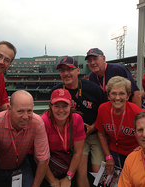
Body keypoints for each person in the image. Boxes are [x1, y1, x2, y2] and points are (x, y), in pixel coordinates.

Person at [52, 56, 106, 187]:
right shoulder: (57, 91)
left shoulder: (92, 88)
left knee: (97, 172)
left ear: (77, 70)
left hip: (95, 134)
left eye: (69, 69)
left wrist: (93, 127)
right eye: (62, 70)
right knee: (81, 173)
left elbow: (105, 111)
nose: (65, 73)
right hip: (75, 138)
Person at [0, 90, 50, 187]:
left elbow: (43, 159)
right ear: (9, 109)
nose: (25, 117)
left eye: (29, 111)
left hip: (21, 166)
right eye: (20, 111)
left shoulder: (37, 122)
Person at [95, 76, 144, 174]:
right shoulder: (103, 109)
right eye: (113, 93)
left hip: (134, 151)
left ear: (128, 96)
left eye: (121, 93)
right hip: (114, 150)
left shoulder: (136, 112)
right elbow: (101, 133)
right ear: (108, 96)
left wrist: (142, 147)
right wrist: (108, 156)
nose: (117, 98)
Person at [41, 89, 86, 187]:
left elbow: (78, 152)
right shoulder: (43, 122)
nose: (61, 110)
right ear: (51, 106)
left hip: (67, 166)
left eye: (65, 106)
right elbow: (41, 157)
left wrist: (68, 177)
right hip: (47, 165)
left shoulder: (77, 120)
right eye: (57, 106)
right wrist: (53, 182)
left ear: (71, 106)